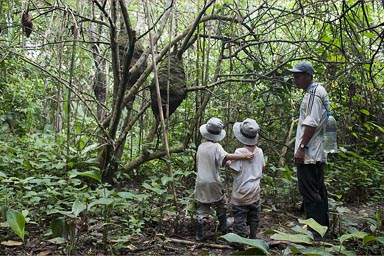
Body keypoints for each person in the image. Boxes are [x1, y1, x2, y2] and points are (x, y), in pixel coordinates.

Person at [288, 61, 330, 239]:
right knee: (318, 189)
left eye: (297, 76)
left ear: (308, 76)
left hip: (310, 152)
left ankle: (315, 233)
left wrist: (301, 148)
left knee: (309, 192)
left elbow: (311, 122)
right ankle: (322, 228)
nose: (295, 80)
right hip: (317, 151)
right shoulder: (317, 91)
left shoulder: (314, 93)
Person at [194, 117, 254, 242]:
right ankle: (223, 226)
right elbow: (226, 156)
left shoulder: (201, 146)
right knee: (221, 203)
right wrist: (244, 156)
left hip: (200, 181)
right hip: (213, 181)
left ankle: (199, 233)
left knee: (203, 206)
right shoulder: (216, 147)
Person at [226, 118, 265, 241]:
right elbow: (262, 167)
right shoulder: (260, 151)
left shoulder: (239, 152)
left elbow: (236, 169)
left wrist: (228, 163)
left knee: (240, 216)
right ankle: (253, 237)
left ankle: (239, 241)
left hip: (241, 191)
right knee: (254, 215)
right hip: (254, 190)